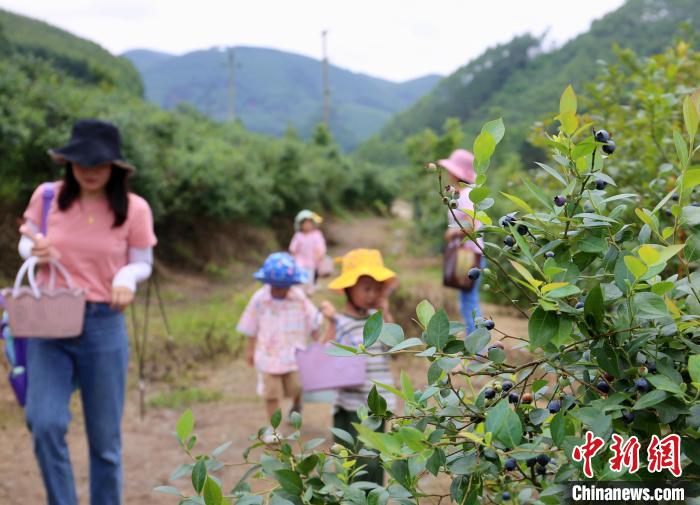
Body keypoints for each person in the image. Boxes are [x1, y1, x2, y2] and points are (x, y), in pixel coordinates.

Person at [17, 119, 157, 505]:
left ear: (115, 166)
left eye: (99, 164)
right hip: (50, 323)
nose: (90, 171)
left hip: (103, 324)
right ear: (68, 162)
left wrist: (127, 277)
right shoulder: (47, 197)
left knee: (105, 442)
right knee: (44, 423)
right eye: (81, 163)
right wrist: (35, 250)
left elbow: (142, 261)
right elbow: (26, 245)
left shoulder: (134, 208)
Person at [320, 248, 397, 485]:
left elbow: (394, 348)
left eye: (377, 288)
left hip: (376, 404)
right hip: (348, 403)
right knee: (349, 460)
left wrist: (385, 311)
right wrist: (332, 323)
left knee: (373, 460)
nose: (372, 294)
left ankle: (372, 498)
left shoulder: (378, 319)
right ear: (348, 289)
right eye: (366, 288)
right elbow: (323, 355)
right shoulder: (341, 321)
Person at [236, 252, 322, 442]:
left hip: (294, 354)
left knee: (296, 387)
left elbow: (313, 319)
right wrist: (250, 350)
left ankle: (296, 405)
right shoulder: (259, 299)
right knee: (271, 394)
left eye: (285, 287)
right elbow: (251, 325)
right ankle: (274, 429)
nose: (281, 291)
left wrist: (317, 342)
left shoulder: (299, 297)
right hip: (268, 355)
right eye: (277, 287)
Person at [439, 149, 484, 334]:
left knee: (469, 301)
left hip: (470, 256)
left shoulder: (466, 195)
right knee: (468, 299)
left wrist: (451, 234)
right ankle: (475, 344)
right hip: (470, 254)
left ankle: (477, 348)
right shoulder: (467, 193)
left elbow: (472, 225)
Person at [289, 210, 326, 293]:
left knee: (310, 278)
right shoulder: (298, 236)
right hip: (299, 262)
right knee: (300, 280)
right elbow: (293, 249)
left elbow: (320, 247)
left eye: (309, 223)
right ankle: (299, 292)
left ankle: (309, 292)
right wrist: (292, 259)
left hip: (311, 262)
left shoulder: (316, 234)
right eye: (305, 223)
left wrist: (320, 255)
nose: (307, 225)